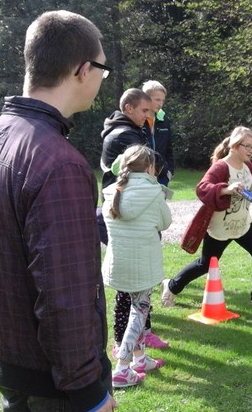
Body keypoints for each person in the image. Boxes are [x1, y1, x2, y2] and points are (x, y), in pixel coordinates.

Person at [0, 11, 116, 411]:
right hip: (54, 387)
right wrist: (89, 394)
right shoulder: (60, 164)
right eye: (102, 70)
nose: (100, 79)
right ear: (83, 70)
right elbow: (65, 295)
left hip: (10, 364)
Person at [163, 127, 252, 308]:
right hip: (221, 228)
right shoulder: (221, 167)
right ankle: (171, 286)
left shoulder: (247, 166)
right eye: (246, 146)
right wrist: (226, 189)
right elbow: (202, 188)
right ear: (234, 145)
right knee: (205, 265)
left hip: (243, 225)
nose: (251, 150)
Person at [100, 87, 169, 352]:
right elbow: (155, 159)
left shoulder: (129, 131)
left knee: (132, 296)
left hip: (126, 237)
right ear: (128, 108)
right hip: (136, 232)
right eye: (144, 110)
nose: (148, 115)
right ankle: (126, 349)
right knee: (133, 297)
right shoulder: (124, 135)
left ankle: (136, 341)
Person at [102, 145, 172, 388]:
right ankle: (122, 369)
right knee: (138, 313)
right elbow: (165, 222)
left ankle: (139, 359)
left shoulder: (111, 191)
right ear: (150, 167)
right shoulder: (154, 192)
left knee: (136, 311)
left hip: (119, 264)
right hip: (143, 265)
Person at [141, 80, 175, 187]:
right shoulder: (138, 120)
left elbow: (169, 150)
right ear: (146, 98)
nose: (160, 104)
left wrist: (168, 173)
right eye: (157, 100)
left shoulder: (164, 120)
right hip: (141, 177)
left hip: (162, 178)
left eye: (163, 100)